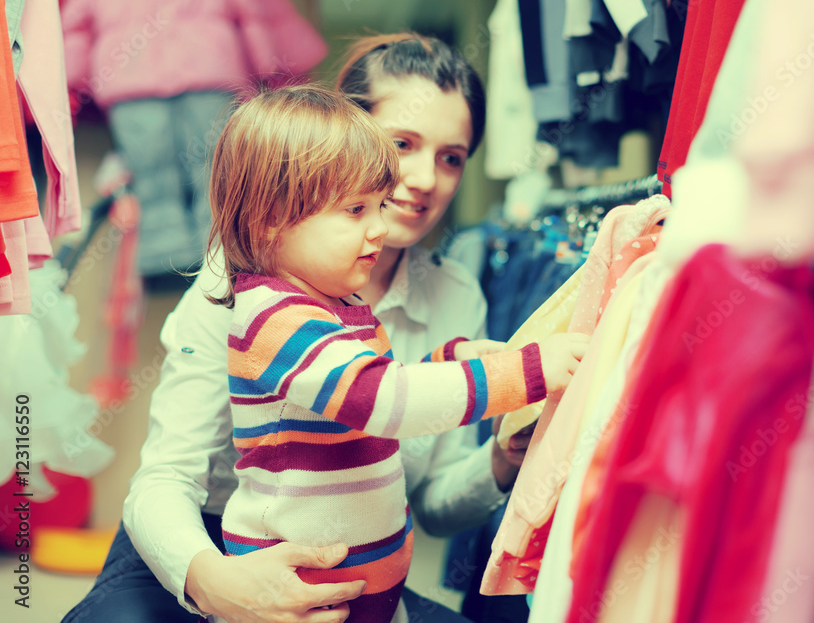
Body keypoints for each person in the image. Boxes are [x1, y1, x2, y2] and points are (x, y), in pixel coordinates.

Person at [62, 33, 552, 623]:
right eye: (403, 144)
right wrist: (216, 582)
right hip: (207, 540)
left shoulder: (455, 294)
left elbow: (431, 501)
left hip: (349, 569)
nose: (424, 179)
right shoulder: (240, 281)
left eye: (452, 157)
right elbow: (165, 478)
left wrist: (501, 461)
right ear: (346, 139)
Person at [207, 84, 585, 623]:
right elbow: (382, 399)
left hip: (368, 595)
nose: (380, 228)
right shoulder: (275, 317)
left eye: (378, 206)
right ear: (272, 217)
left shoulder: (338, 302)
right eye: (356, 209)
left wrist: (448, 360)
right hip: (297, 602)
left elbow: (376, 380)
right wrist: (520, 373)